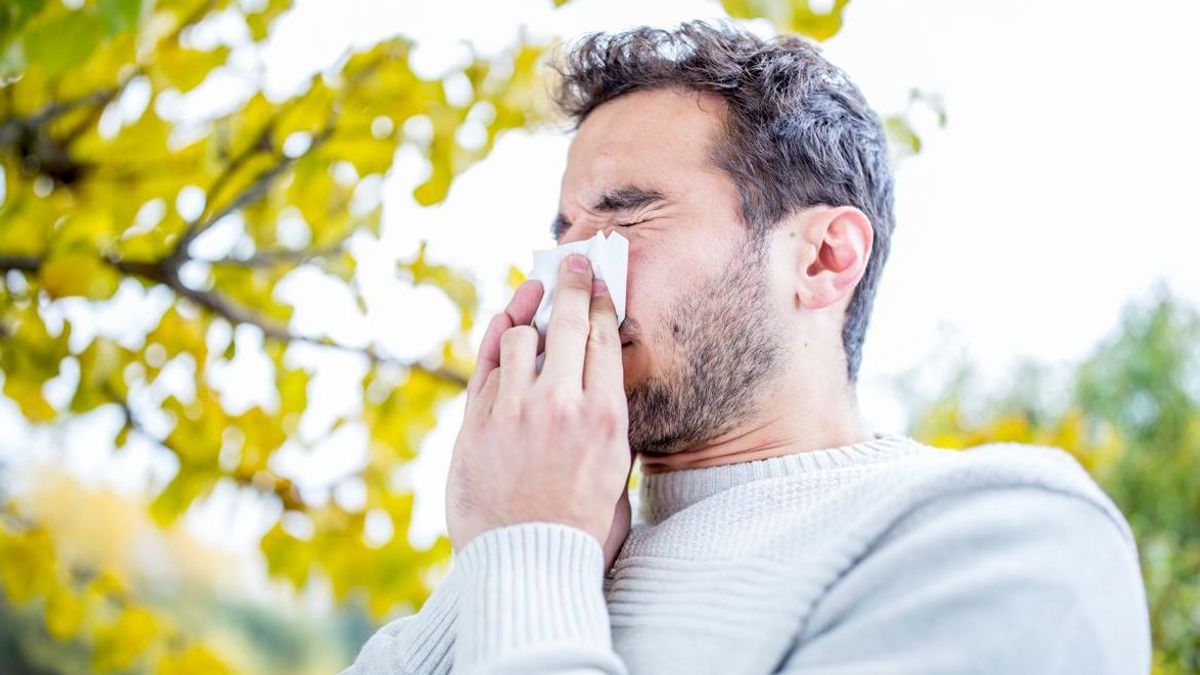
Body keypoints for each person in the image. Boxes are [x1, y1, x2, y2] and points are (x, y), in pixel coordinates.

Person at [344, 20, 1150, 675]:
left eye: (626, 217)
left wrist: (527, 558)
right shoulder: (526, 555)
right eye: (564, 234)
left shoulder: (999, 535)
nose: (571, 276)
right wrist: (517, 552)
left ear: (825, 257)